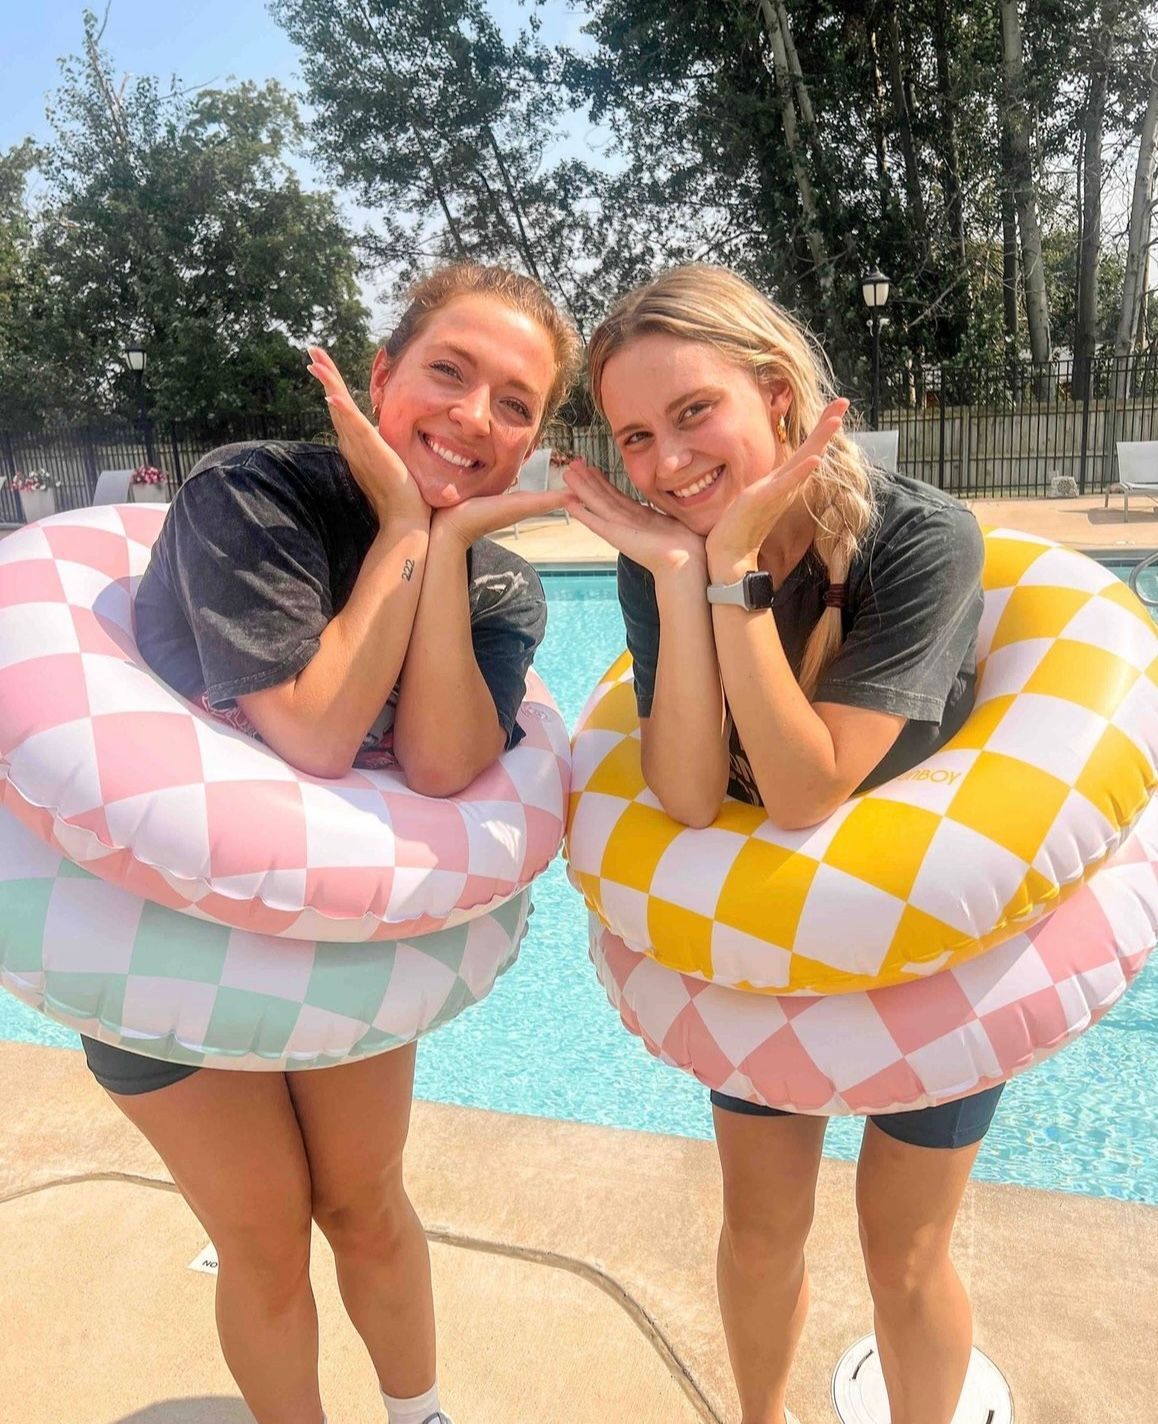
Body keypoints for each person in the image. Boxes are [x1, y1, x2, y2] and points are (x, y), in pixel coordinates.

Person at [79, 263, 581, 1424]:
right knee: (265, 1237)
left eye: (516, 404)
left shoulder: (500, 583)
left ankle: (421, 1415)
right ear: (381, 376)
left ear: (532, 441)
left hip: (339, 940)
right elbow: (314, 730)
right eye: (449, 372)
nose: (476, 417)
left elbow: (445, 764)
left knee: (365, 1202)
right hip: (158, 942)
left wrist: (443, 549)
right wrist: (405, 523)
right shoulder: (252, 494)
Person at [564, 264, 996, 1424]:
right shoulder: (661, 548)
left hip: (931, 934)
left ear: (775, 392)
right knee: (759, 1232)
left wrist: (735, 579)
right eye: (635, 435)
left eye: (694, 411)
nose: (665, 463)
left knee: (904, 1249)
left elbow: (804, 790)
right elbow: (688, 794)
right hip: (768, 931)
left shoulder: (920, 540)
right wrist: (682, 572)